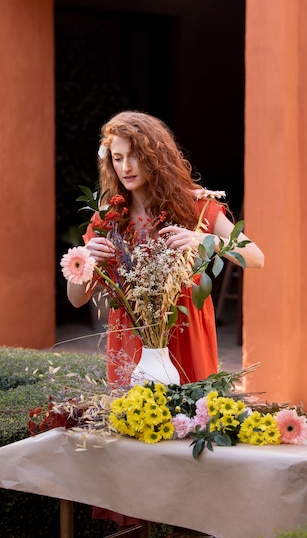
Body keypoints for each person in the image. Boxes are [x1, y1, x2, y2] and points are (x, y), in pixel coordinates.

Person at [67, 110, 264, 386]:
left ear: (155, 156)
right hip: (131, 340)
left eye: (134, 156)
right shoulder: (109, 218)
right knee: (136, 422)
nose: (126, 168)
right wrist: (86, 260)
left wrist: (207, 241)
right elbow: (76, 299)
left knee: (190, 422)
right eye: (118, 158)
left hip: (185, 333)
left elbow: (256, 257)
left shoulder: (195, 207)